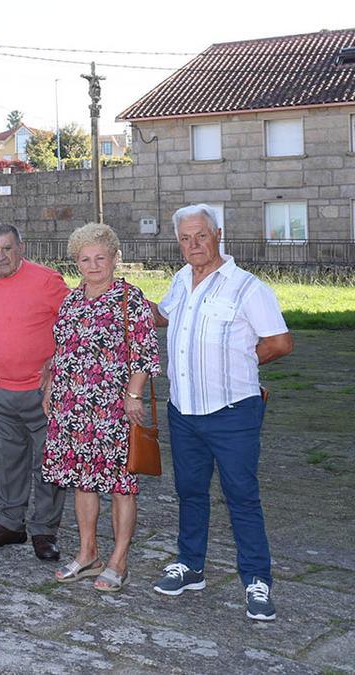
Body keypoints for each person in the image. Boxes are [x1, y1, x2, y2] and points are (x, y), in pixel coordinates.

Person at [149, 204, 292, 621]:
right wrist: (128, 305)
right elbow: (164, 316)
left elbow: (280, 342)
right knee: (190, 493)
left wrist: (243, 365)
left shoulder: (247, 288)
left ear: (218, 234)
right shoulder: (180, 280)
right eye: (185, 239)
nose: (194, 245)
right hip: (184, 411)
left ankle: (257, 580)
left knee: (242, 497)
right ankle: (191, 566)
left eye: (201, 236)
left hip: (232, 413)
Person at [41, 223, 159, 591]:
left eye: (100, 258)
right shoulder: (72, 301)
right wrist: (50, 387)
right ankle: (87, 553)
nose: (93, 265)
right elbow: (61, 350)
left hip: (114, 410)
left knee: (122, 485)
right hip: (72, 407)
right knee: (82, 482)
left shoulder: (130, 298)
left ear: (114, 258)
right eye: (85, 259)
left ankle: (118, 561)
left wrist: (134, 395)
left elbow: (144, 352)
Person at [0, 223, 71, 561]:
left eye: (7, 248)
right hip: (0, 390)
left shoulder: (47, 281)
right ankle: (11, 524)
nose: (0, 256)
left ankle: (44, 531)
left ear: (20, 248)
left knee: (47, 463)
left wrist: (55, 367)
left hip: (43, 394)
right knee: (10, 462)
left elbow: (73, 325)